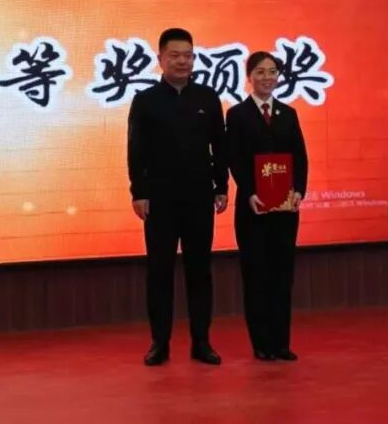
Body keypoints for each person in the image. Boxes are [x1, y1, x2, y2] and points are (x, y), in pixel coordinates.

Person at [127, 28, 228, 366]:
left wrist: (221, 186)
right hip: (160, 199)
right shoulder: (146, 100)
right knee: (159, 271)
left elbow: (220, 146)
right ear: (160, 59)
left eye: (188, 55)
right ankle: (160, 343)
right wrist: (139, 192)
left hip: (199, 197)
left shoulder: (208, 98)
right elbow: (135, 151)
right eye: (175, 55)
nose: (182, 61)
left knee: (200, 270)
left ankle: (202, 342)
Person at [226, 51, 308, 362]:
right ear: (249, 77)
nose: (267, 77)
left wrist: (299, 191)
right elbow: (235, 159)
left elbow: (300, 158)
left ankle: (281, 343)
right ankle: (261, 343)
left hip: (285, 209)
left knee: (282, 275)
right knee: (256, 275)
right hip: (253, 209)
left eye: (272, 71)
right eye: (260, 72)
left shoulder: (289, 114)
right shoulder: (237, 115)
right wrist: (248, 192)